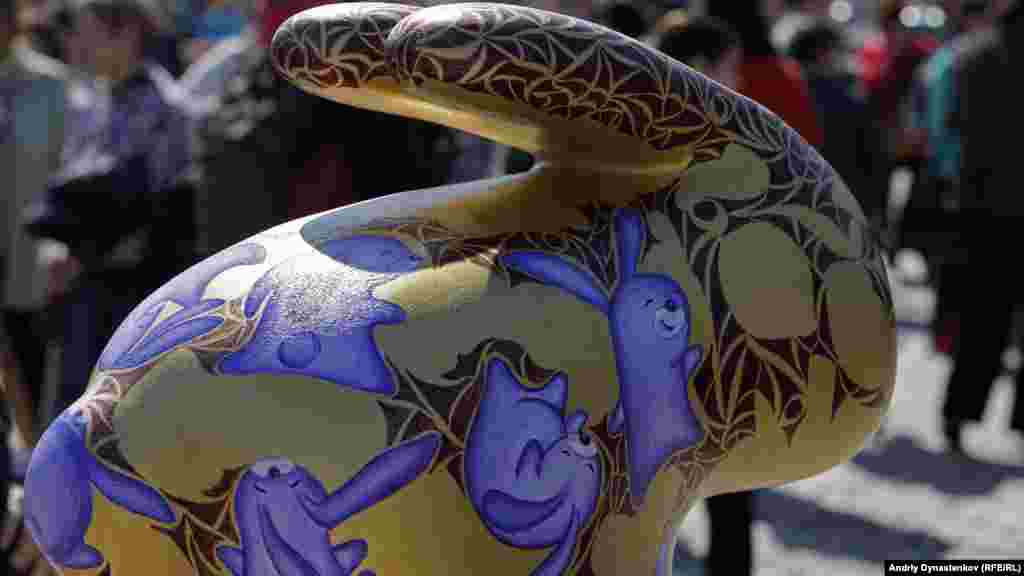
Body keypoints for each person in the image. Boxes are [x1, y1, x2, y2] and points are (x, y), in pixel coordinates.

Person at [27, 0, 196, 420]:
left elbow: (158, 213)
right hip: (81, 289)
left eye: (87, 31)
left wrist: (86, 250)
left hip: (132, 299)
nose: (74, 42)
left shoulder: (167, 109)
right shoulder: (92, 101)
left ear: (126, 34)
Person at [940, 0, 1024, 457]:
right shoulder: (977, 55)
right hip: (997, 203)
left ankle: (958, 413)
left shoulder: (973, 56)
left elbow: (951, 126)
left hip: (981, 206)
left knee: (982, 320)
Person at [787, 19, 882, 219]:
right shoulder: (847, 96)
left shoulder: (784, 95)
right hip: (843, 201)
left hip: (795, 205)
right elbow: (871, 153)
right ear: (824, 54)